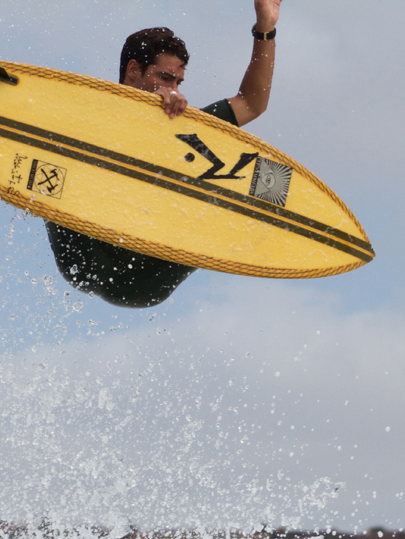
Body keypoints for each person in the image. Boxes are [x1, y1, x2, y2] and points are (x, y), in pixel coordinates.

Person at [47, 0, 283, 308]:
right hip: (85, 257)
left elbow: (252, 103)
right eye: (165, 77)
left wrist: (265, 29)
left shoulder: (184, 130)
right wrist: (143, 117)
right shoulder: (91, 115)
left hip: (147, 279)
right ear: (134, 70)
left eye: (177, 81)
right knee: (66, 149)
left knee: (206, 157)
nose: (173, 88)